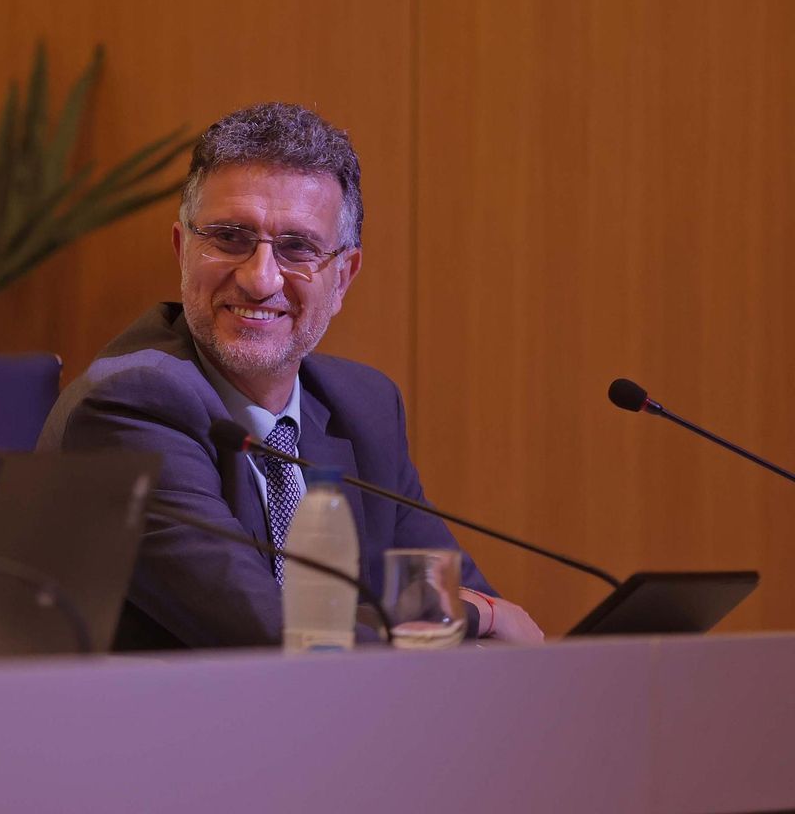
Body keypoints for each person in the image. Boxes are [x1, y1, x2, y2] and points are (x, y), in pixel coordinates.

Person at [39, 102, 542, 648]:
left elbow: (453, 605)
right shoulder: (128, 406)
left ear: (344, 276)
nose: (260, 279)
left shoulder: (364, 407)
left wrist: (459, 616)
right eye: (229, 237)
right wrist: (482, 616)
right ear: (183, 250)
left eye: (297, 247)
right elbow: (279, 639)